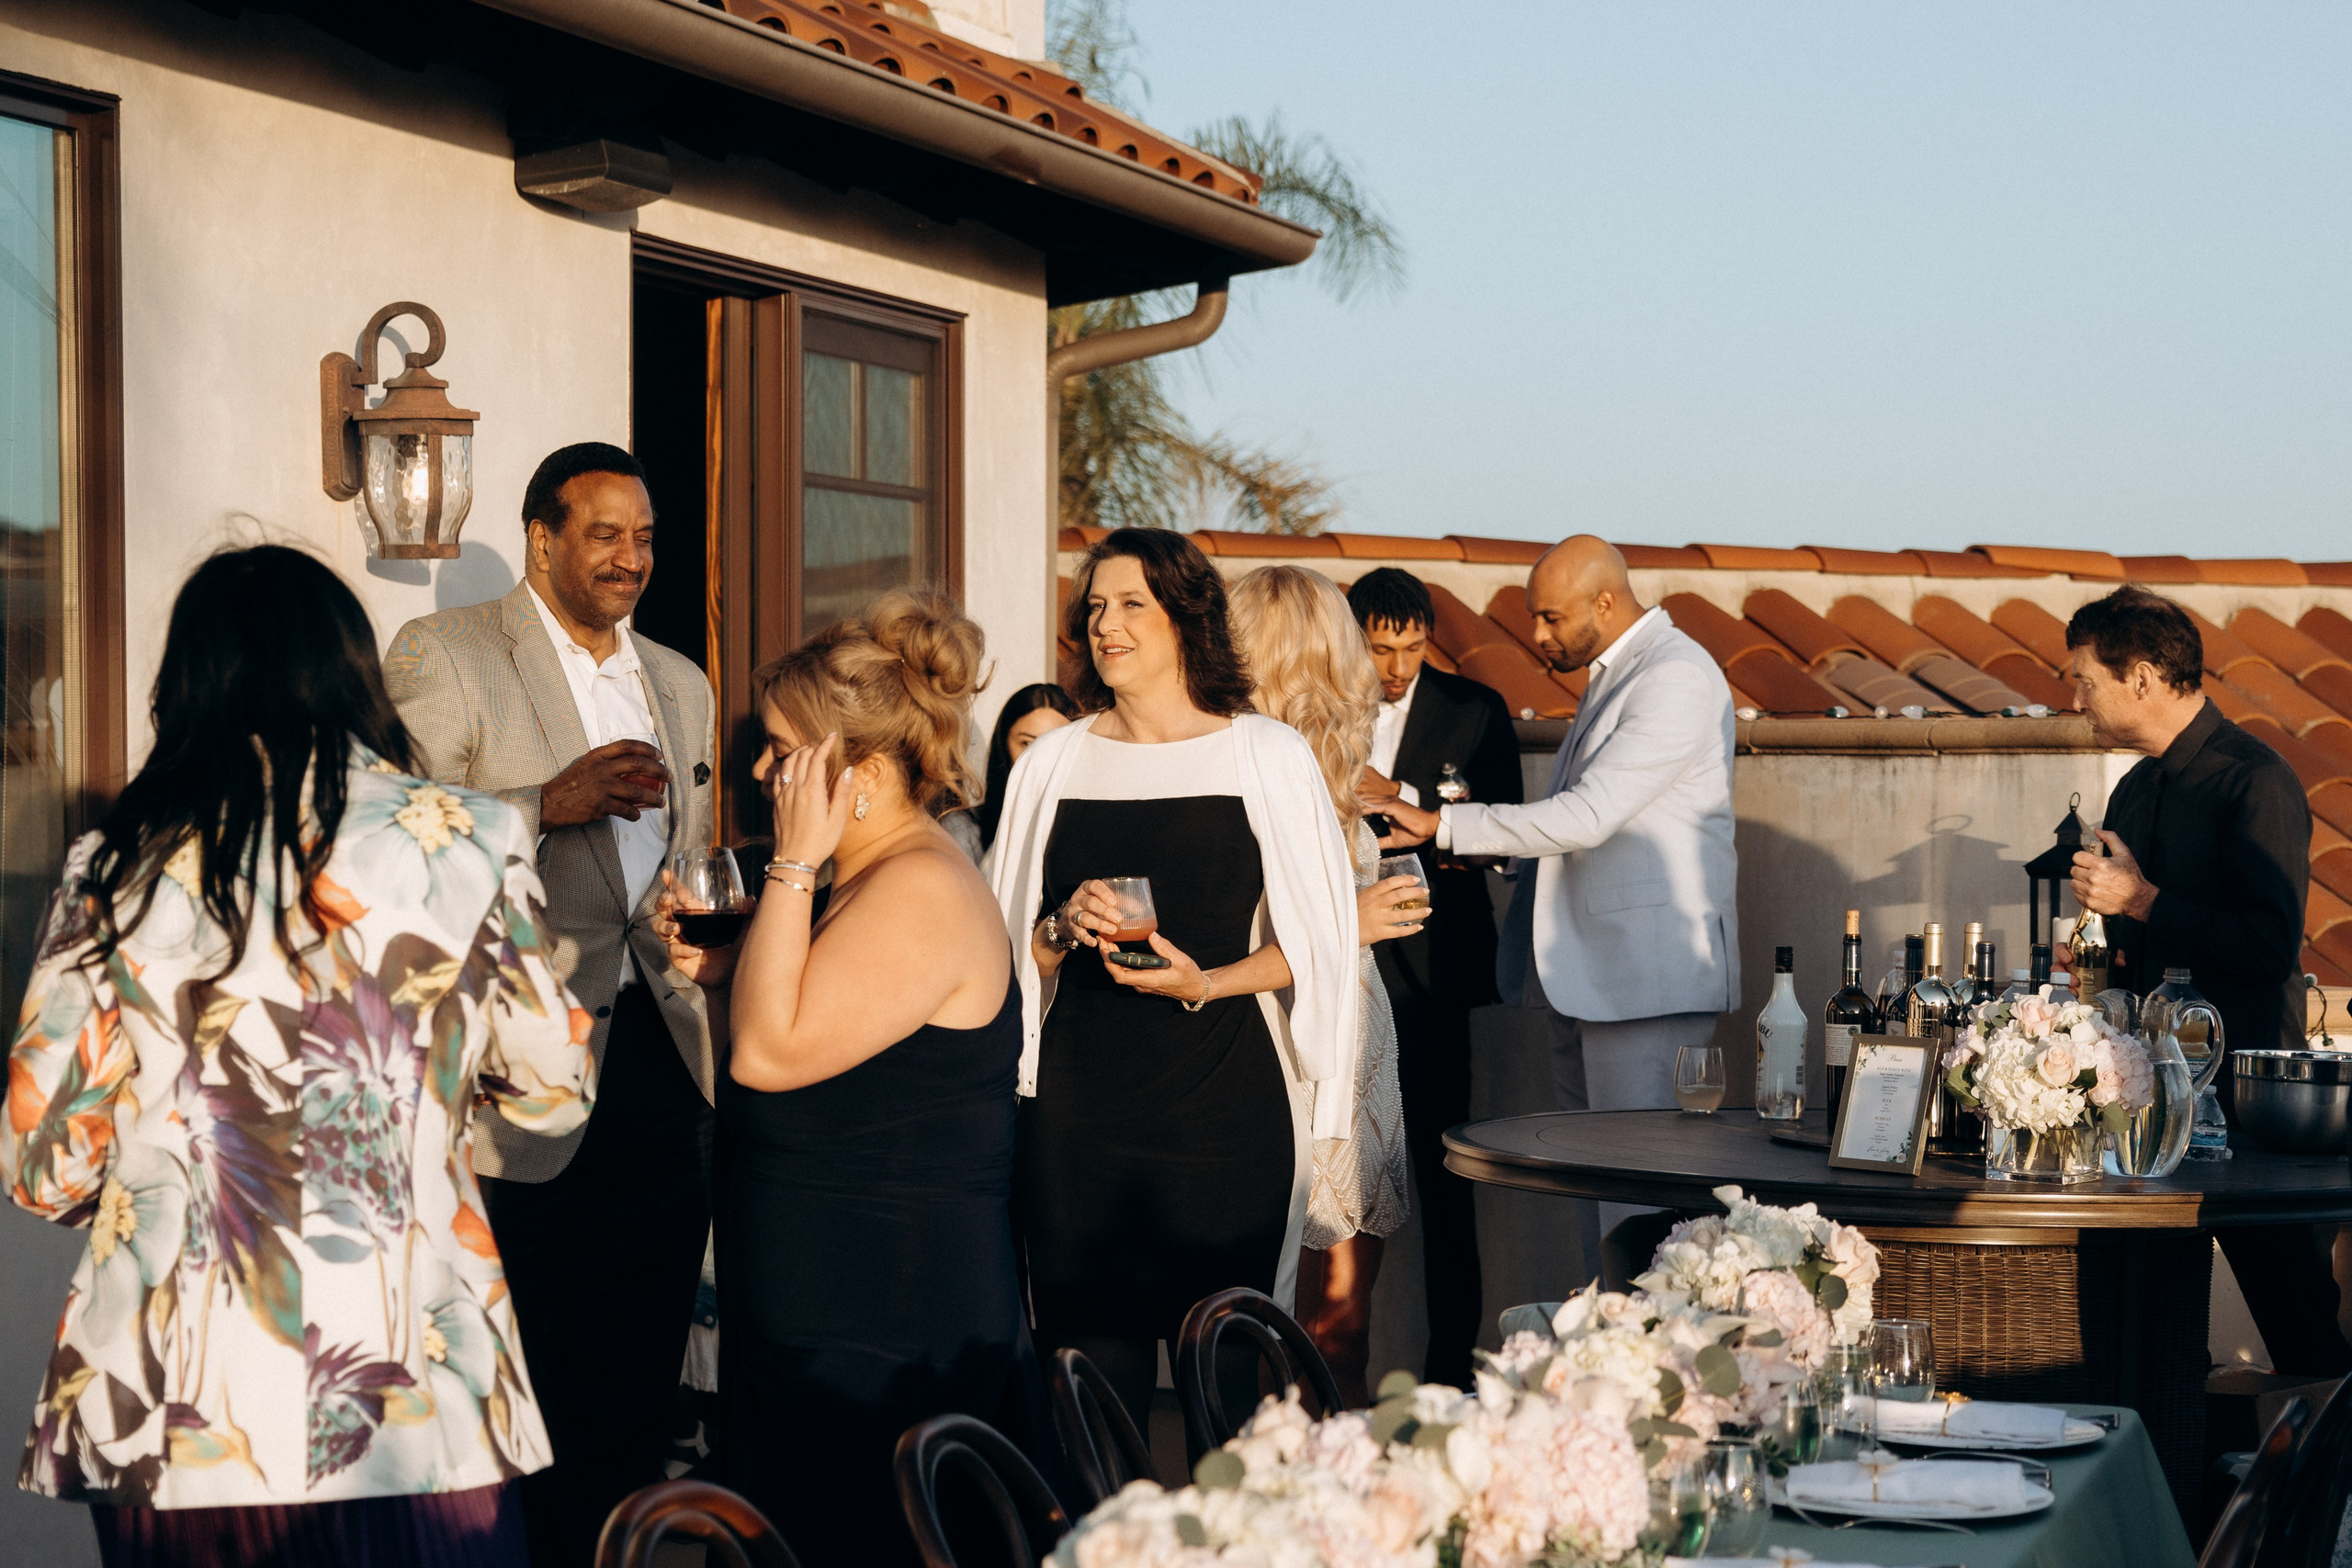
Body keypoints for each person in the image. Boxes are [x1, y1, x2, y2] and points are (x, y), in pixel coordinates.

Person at [4, 547, 591, 1567]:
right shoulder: (474, 839)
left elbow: (41, 1166)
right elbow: (551, 1101)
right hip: (413, 1389)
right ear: (353, 674)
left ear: (185, 688)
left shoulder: (114, 865)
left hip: (175, 1410)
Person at [381, 442, 718, 1565]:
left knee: (636, 1367)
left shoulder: (680, 681)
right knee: (519, 1365)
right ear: (542, 537)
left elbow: (689, 861)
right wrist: (548, 801)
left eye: (647, 537)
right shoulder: (447, 653)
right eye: (606, 534)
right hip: (510, 1072)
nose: (633, 559)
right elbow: (404, 848)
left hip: (664, 1063)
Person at [652, 592, 1035, 1568]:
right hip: (825, 1312)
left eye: (780, 751)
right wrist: (734, 969)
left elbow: (769, 1057)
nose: (759, 771)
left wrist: (787, 864)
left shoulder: (918, 886)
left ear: (854, 773)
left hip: (888, 1328)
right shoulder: (861, 879)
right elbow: (809, 1043)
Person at [990, 528, 1360, 1430]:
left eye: (1130, 605)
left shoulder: (1265, 754)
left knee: (1231, 1391)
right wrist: (1056, 926)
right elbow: (1004, 952)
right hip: (1075, 1123)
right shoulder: (1051, 764)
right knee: (1089, 1387)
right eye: (1094, 608)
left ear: (1185, 619)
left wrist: (1206, 981)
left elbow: (1319, 946)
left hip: (1224, 1121)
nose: (1105, 626)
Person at [1366, 536, 1737, 1288]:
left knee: (1641, 1214)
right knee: (1595, 1199)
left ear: (1606, 602)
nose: (1536, 637)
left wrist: (1441, 825)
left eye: (1549, 617)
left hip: (1646, 988)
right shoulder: (1619, 675)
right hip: (1593, 983)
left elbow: (1588, 815)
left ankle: (1657, 1379)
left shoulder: (1675, 676)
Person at [2061, 584, 2349, 1375]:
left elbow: (2268, 945)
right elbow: (2135, 941)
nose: (2076, 699)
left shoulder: (2257, 780)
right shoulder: (2135, 787)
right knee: (2149, 1328)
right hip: (2149, 1118)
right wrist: (2099, 949)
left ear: (2144, 677)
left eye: (2085, 680)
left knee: (2301, 1334)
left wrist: (2145, 901)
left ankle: (2329, 1495)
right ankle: (2187, 1480)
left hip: (2251, 1122)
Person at [1228, 565, 1430, 1407]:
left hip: (1359, 1048)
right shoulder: (1231, 769)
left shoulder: (1336, 769)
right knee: (1279, 1323)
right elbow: (1233, 936)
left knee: (1344, 1323)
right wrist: (1353, 919)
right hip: (1276, 1047)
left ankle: (1333, 1510)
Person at [1344, 567, 1522, 1389]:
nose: (1397, 667)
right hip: (1338, 963)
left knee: (1445, 1180)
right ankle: (1327, 1363)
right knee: (1332, 1175)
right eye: (1381, 649)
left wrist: (1406, 796)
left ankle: (1451, 1375)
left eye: (1412, 648)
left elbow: (1509, 841)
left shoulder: (1474, 710)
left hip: (1433, 978)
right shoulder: (1309, 706)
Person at [962, 682, 1082, 862]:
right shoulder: (966, 828)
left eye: (1055, 744)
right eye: (1027, 743)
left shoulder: (1094, 824)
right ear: (1003, 745)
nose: (1039, 758)